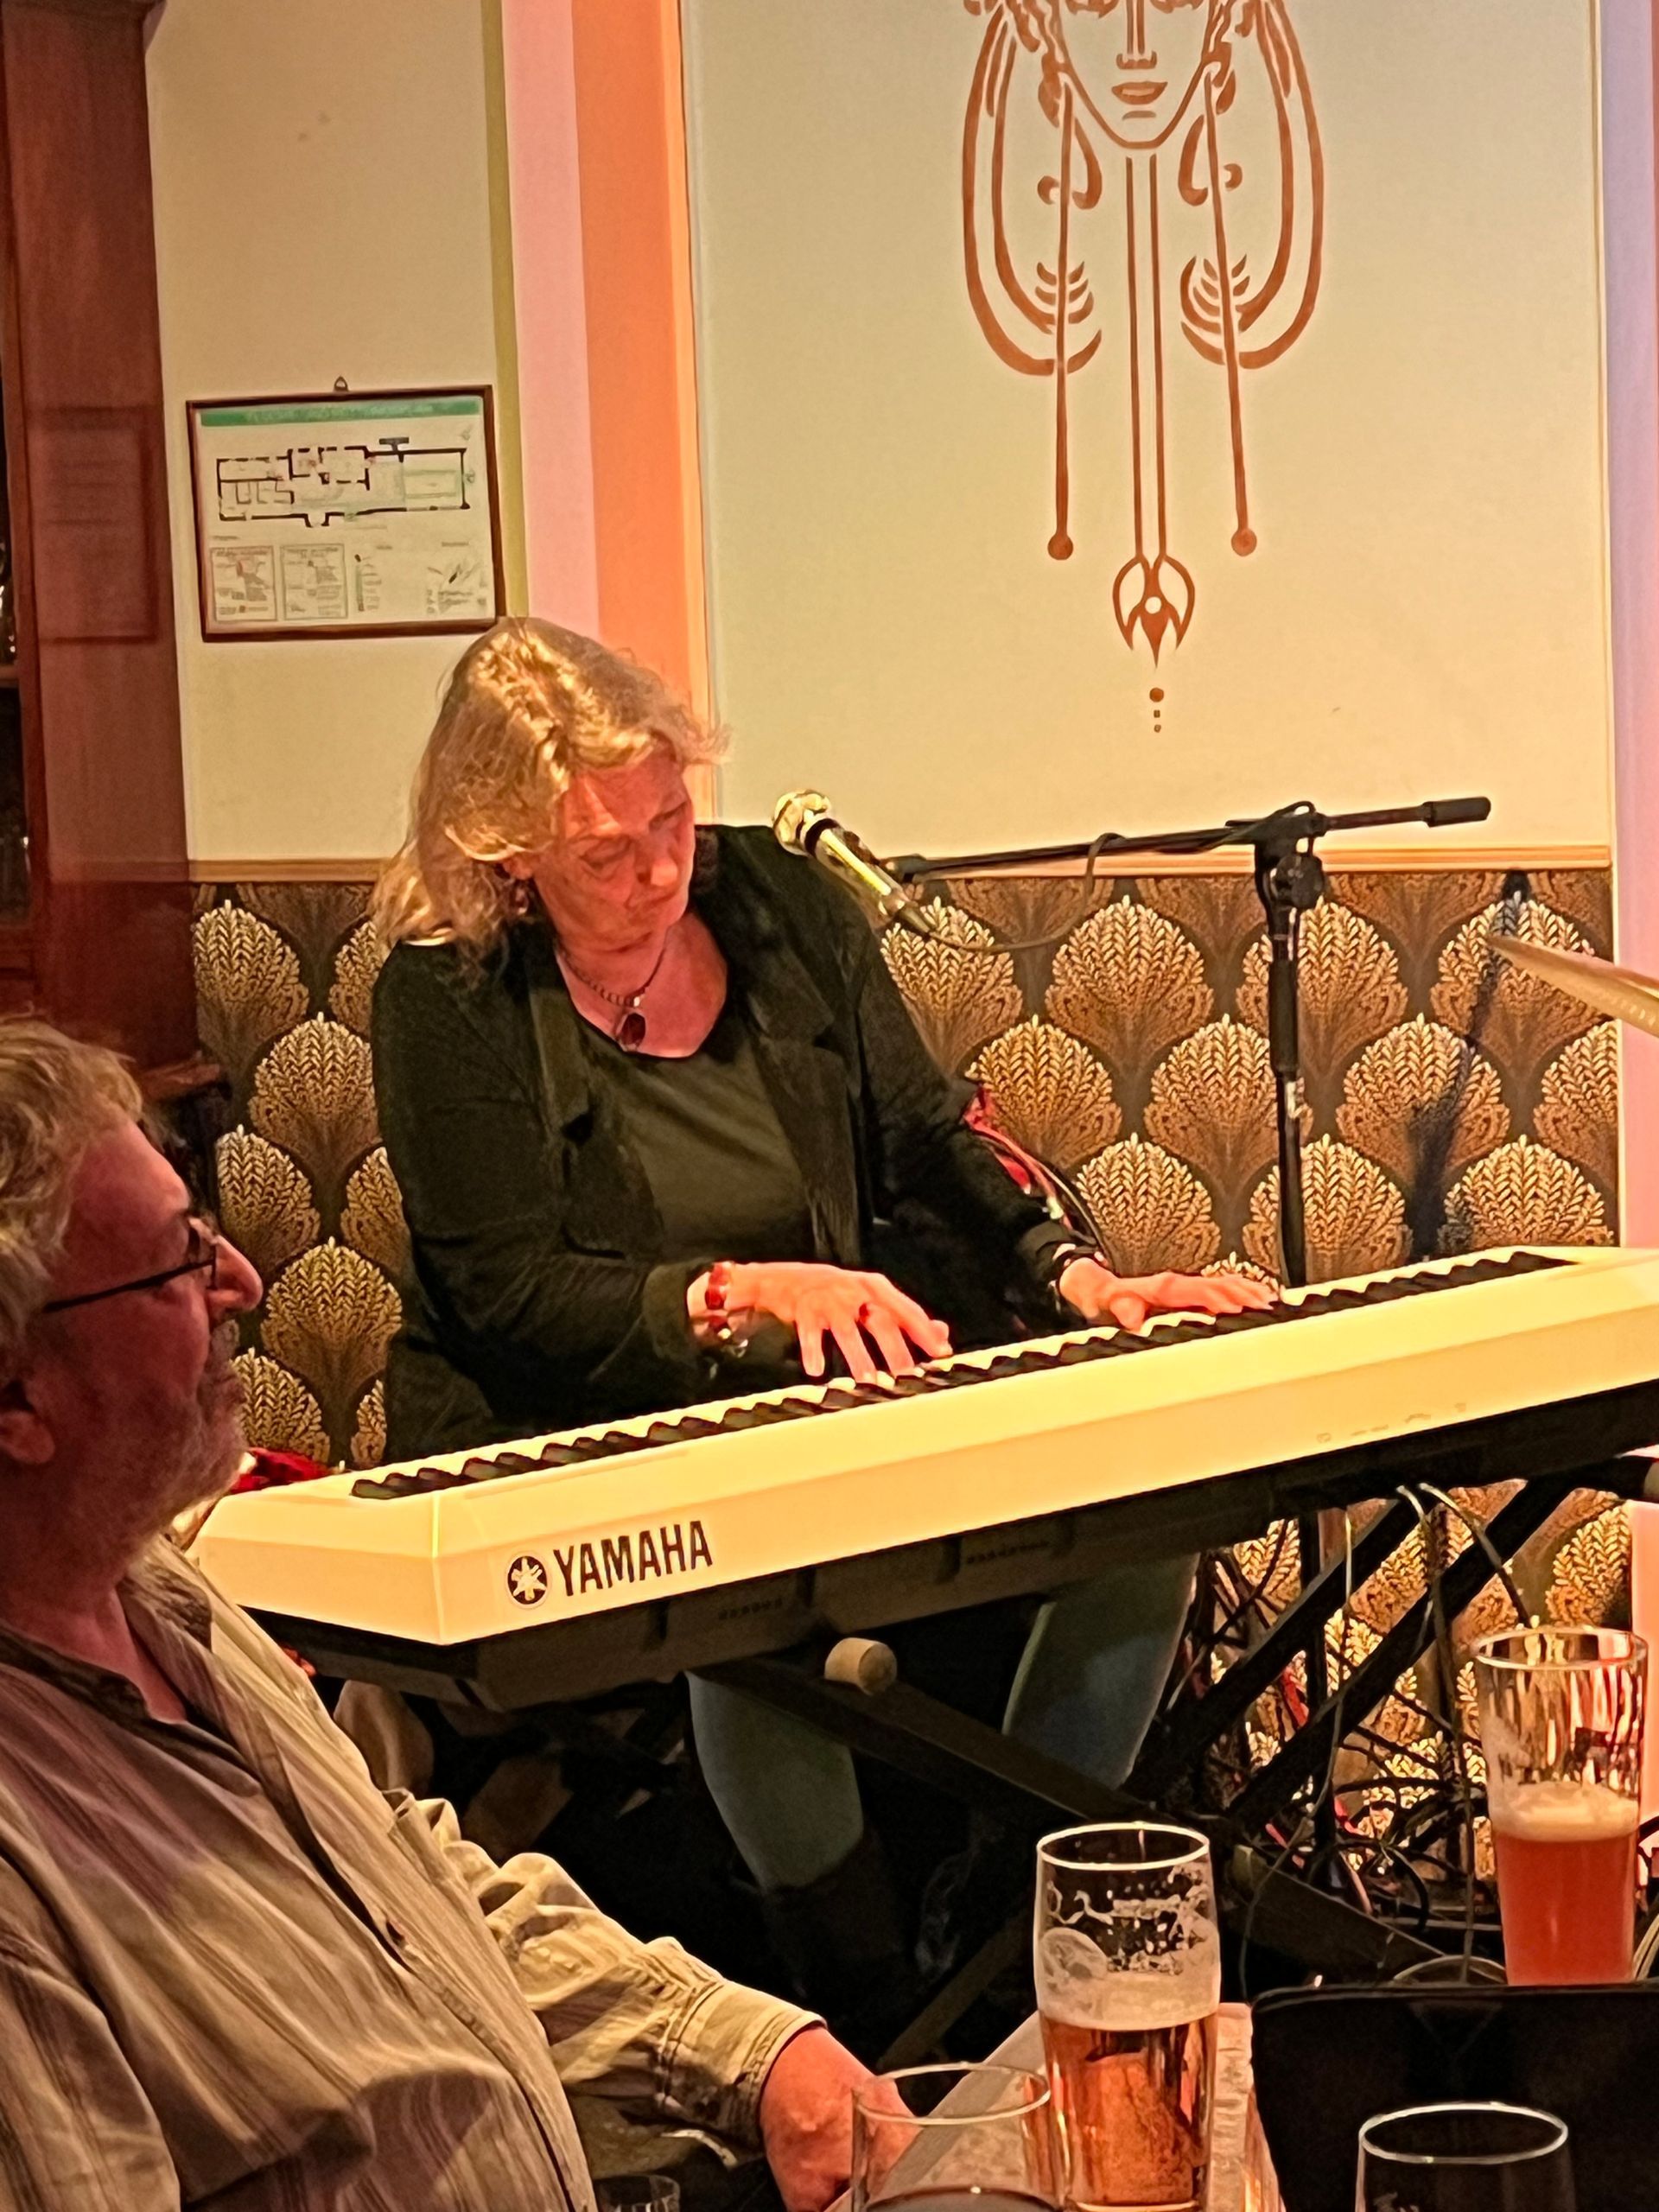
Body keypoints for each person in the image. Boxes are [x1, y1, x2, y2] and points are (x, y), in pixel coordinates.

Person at [370, 617, 1273, 2022]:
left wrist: (1076, 1278)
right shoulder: (446, 995)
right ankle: (861, 1999)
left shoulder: (778, 903)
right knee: (757, 1611)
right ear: (507, 859)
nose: (660, 871)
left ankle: (1002, 1937)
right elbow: (510, 1294)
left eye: (672, 820)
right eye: (606, 854)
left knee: (1146, 1533)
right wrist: (740, 1297)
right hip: (587, 1449)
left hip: (820, 1424)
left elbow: (924, 1134)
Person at [0, 1018, 869, 2212]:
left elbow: (402, 1883)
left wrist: (749, 2053)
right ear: (16, 1398)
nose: (242, 1282)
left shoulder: (160, 1588)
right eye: (174, 1262)